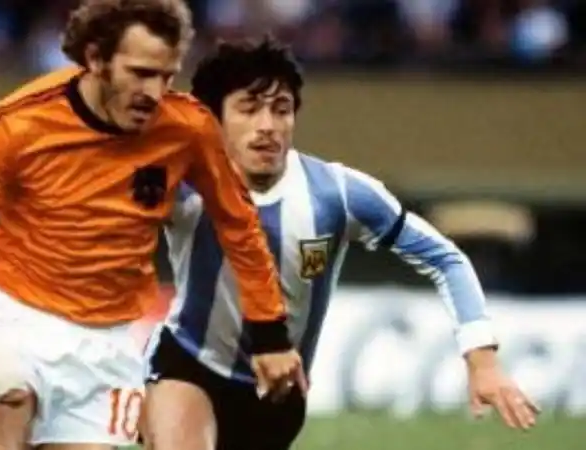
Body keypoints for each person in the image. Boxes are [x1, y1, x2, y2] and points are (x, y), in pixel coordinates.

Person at [0, 1, 305, 448]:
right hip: (13, 320)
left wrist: (269, 334)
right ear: (95, 58)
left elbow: (239, 226)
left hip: (107, 345)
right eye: (140, 73)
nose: (154, 93)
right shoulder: (17, 124)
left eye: (167, 76)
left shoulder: (187, 128)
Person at [142, 35, 541, 450]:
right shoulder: (180, 183)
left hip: (277, 395)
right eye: (249, 108)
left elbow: (446, 259)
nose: (268, 125)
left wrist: (482, 359)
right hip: (186, 364)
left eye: (281, 109)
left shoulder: (338, 193)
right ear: (213, 118)